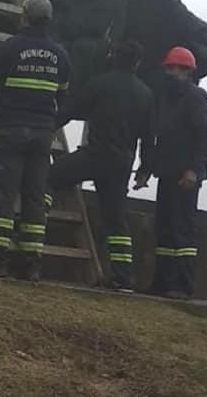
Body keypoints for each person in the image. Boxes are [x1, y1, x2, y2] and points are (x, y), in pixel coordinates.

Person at [0, 0, 70, 282]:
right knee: (34, 197)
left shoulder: (11, 48)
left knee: (4, 196)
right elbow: (63, 95)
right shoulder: (61, 55)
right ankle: (31, 264)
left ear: (24, 16)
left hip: (10, 130)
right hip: (42, 136)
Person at [49, 39, 155, 291]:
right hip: (121, 163)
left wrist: (44, 126)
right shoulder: (146, 94)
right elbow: (148, 137)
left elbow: (72, 109)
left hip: (94, 155)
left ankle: (32, 231)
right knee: (116, 219)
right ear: (137, 63)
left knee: (49, 178)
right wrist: (144, 170)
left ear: (112, 57)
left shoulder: (99, 84)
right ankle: (123, 278)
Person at [134, 46, 207, 300]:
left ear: (188, 72)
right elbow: (159, 138)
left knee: (183, 231)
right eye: (169, 68)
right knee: (165, 229)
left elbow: (206, 138)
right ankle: (162, 282)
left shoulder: (196, 97)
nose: (172, 73)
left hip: (186, 177)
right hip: (167, 174)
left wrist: (195, 170)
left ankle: (182, 285)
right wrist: (146, 170)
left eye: (177, 68)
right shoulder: (166, 100)